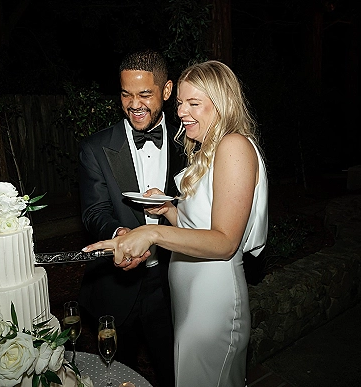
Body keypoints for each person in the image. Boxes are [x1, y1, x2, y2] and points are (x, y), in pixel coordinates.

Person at [83, 60, 268, 386]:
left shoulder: (234, 146)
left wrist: (151, 231)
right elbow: (199, 224)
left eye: (193, 103)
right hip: (187, 296)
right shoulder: (204, 148)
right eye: (181, 102)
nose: (181, 112)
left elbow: (224, 242)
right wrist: (168, 209)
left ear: (222, 102)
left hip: (213, 298)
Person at [77, 49, 184, 387]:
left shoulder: (191, 142)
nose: (133, 103)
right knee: (115, 377)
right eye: (126, 94)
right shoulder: (95, 147)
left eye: (144, 94)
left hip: (173, 283)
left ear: (166, 92)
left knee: (173, 373)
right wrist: (120, 233)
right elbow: (94, 211)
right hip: (116, 287)